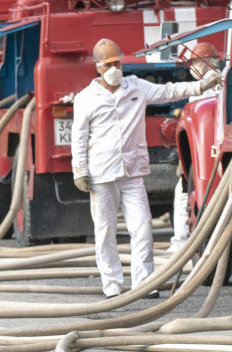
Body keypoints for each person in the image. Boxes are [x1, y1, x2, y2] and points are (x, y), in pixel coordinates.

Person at [71, 39, 220, 299]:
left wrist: (200, 85)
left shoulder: (136, 87)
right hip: (101, 174)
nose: (114, 68)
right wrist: (79, 170)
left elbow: (169, 91)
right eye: (108, 65)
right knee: (105, 231)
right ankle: (112, 284)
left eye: (117, 62)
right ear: (98, 67)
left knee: (142, 229)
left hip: (132, 172)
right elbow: (79, 137)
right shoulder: (85, 99)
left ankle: (144, 282)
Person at [171, 42, 223, 255]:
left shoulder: (216, 84)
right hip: (201, 151)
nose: (191, 67)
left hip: (208, 152)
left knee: (185, 193)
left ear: (205, 63)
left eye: (194, 62)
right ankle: (181, 242)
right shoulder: (207, 84)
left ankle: (181, 244)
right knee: (183, 191)